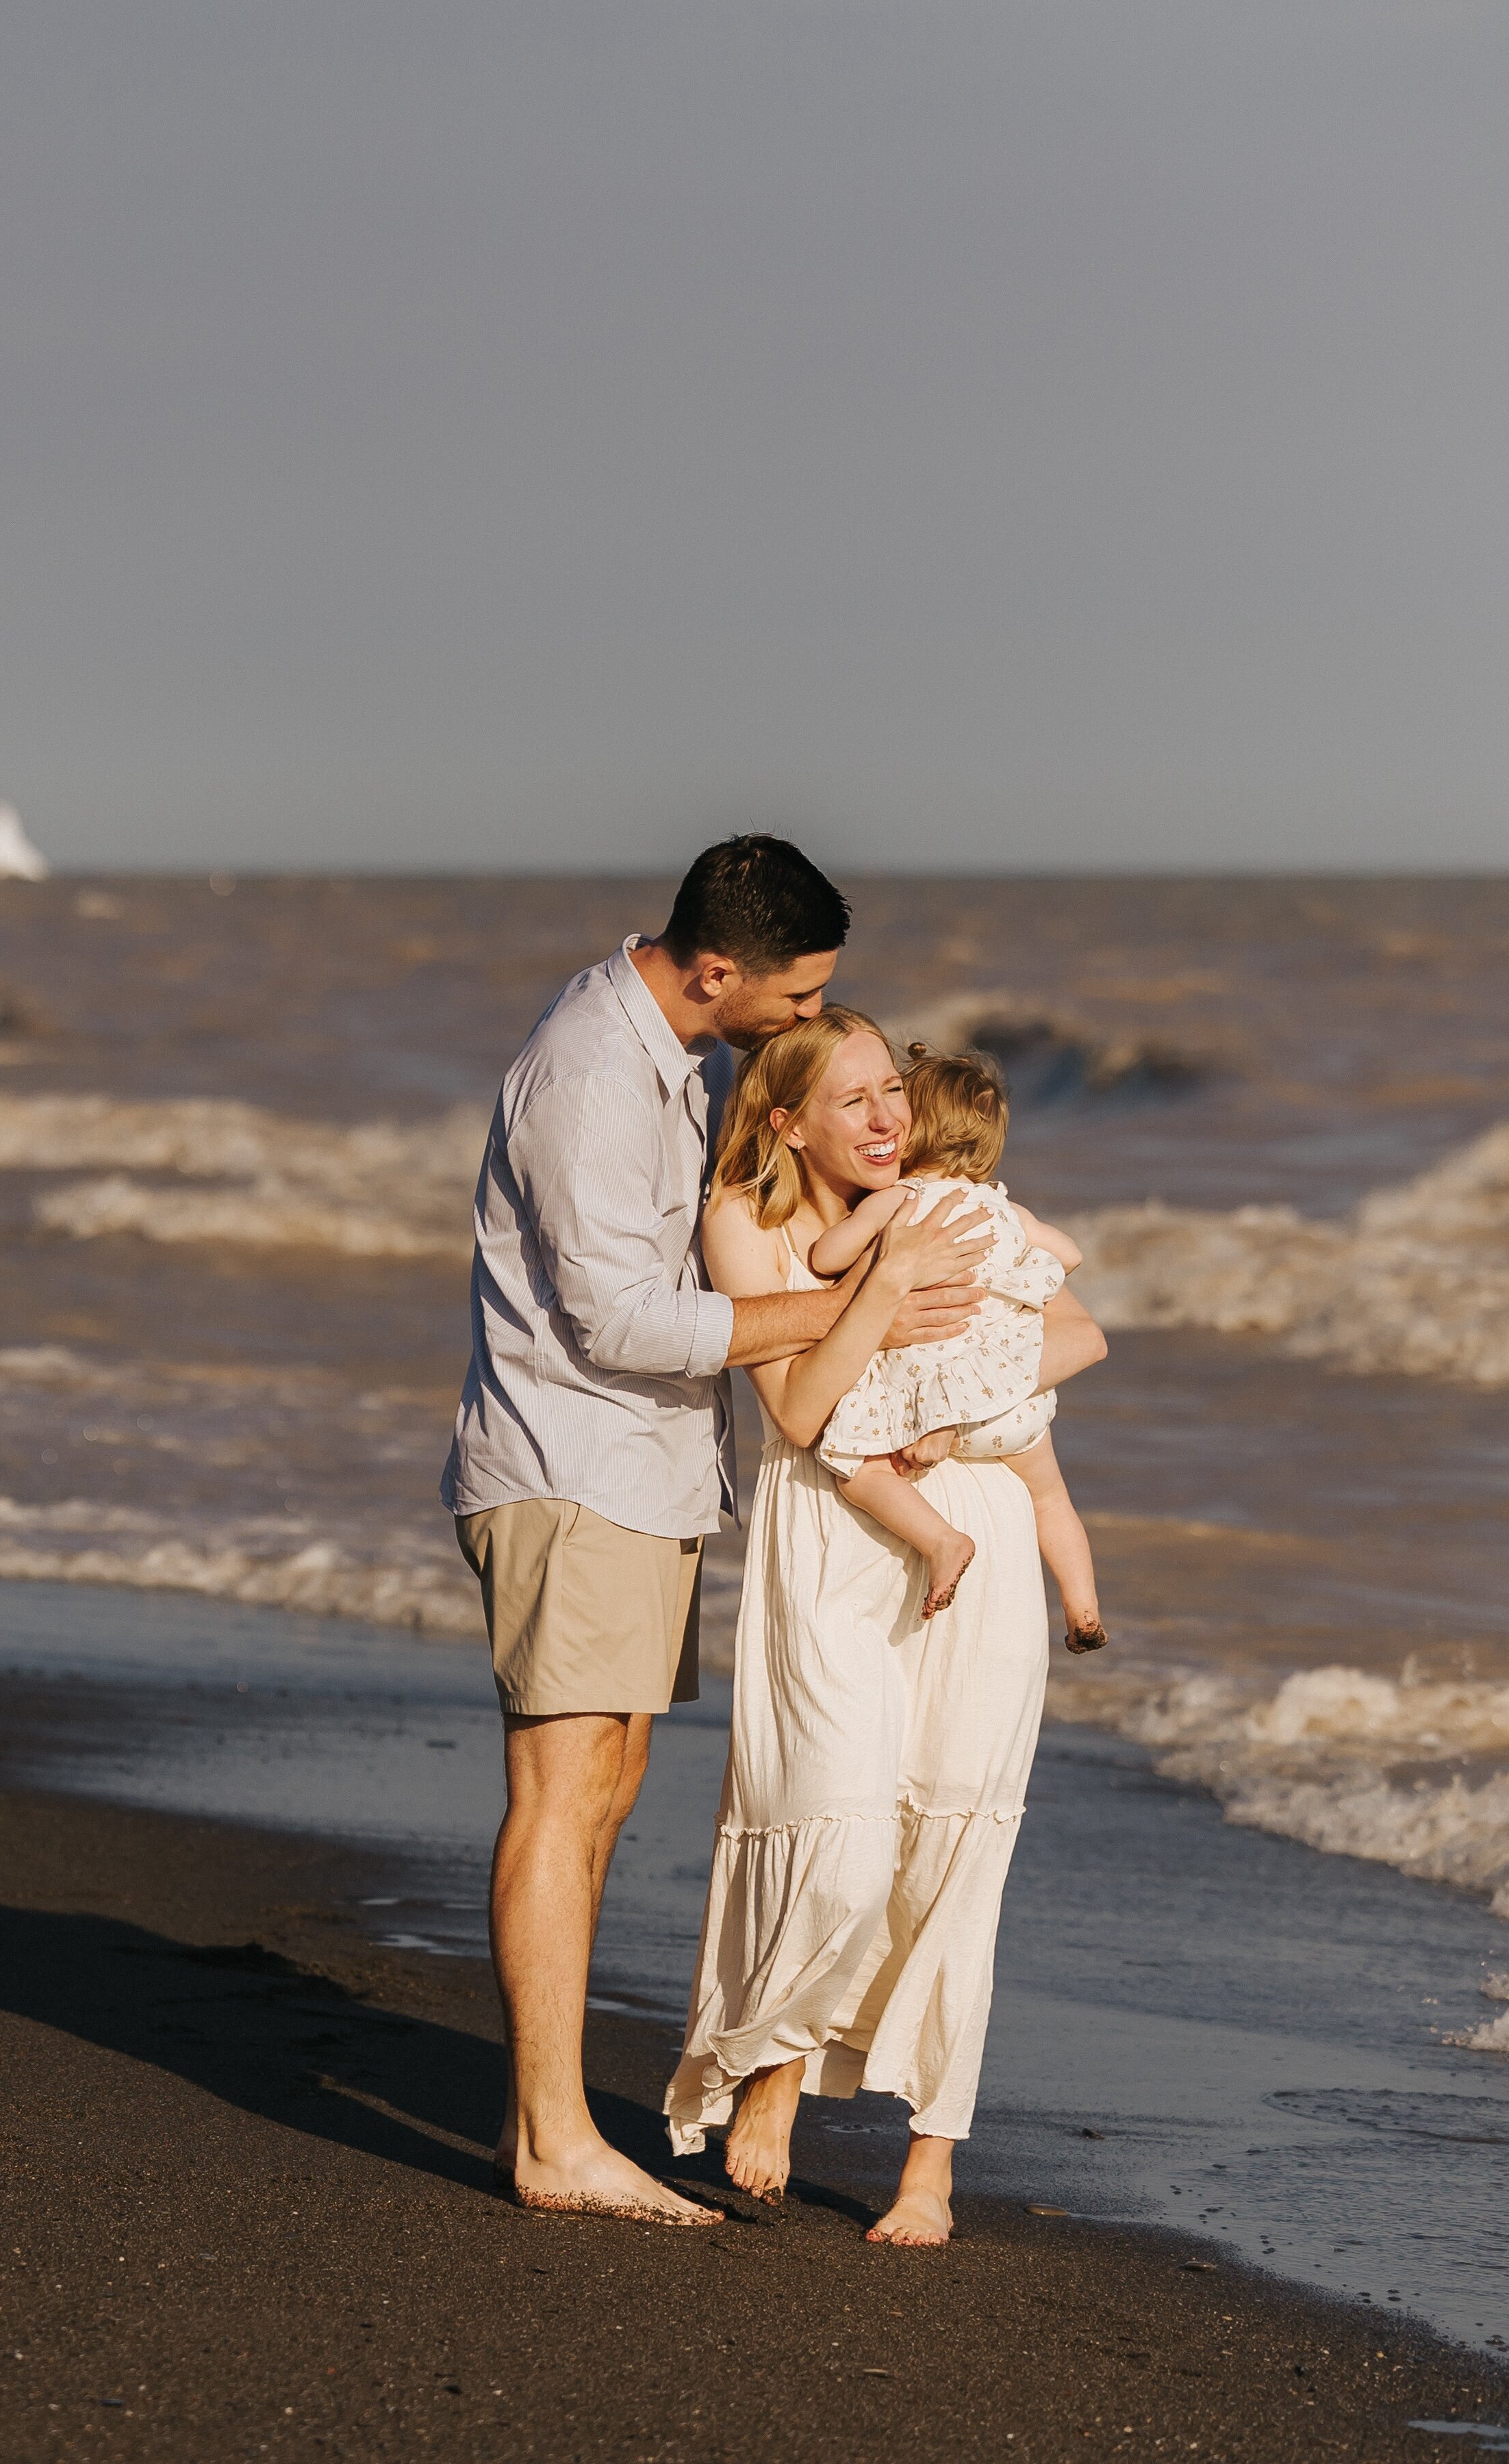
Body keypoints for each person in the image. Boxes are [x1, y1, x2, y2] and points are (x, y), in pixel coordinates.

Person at [440, 836, 991, 2225]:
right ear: (717, 970)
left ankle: (548, 2124)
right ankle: (555, 2146)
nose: (810, 1020)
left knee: (604, 1794)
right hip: (572, 1470)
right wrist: (847, 1312)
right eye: (800, 999)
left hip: (638, 1476)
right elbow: (618, 1321)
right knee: (561, 1799)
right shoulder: (589, 1077)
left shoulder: (667, 1053)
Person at [664, 1010, 1107, 2244]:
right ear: (785, 1119)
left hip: (975, 1519)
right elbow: (802, 1413)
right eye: (853, 1100)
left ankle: (931, 2166)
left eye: (891, 1094)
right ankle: (775, 2068)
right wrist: (884, 1295)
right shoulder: (745, 1225)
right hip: (827, 1538)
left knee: (955, 1843)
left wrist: (955, 1429)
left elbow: (1075, 1333)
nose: (885, 1120)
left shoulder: (937, 1195)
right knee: (841, 1833)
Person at [807, 1044, 1108, 1651]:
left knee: (856, 1472)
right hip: (1012, 1407)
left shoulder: (901, 1201)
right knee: (1052, 1499)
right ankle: (1083, 1611)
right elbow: (1069, 1255)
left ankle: (942, 1540)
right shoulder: (1009, 1211)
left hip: (925, 1411)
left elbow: (826, 1257)